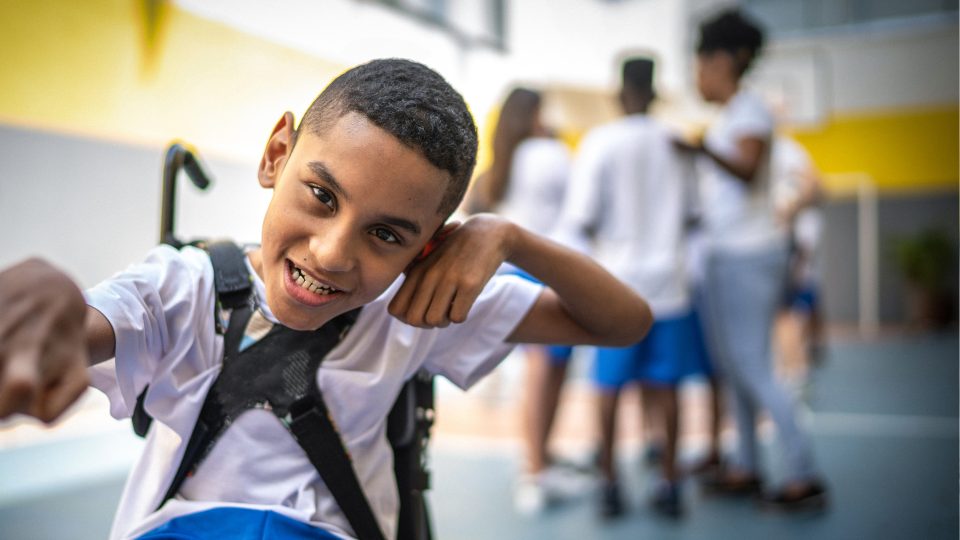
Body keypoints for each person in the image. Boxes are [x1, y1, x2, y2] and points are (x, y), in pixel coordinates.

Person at [0, 59, 653, 540]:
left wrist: (508, 239)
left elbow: (625, 322)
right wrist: (44, 315)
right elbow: (82, 324)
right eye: (322, 196)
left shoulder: (416, 309)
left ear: (427, 249)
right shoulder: (183, 290)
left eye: (386, 234)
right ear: (276, 155)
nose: (334, 254)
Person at [675, 9, 828, 510]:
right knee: (733, 366)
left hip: (749, 255)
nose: (697, 75)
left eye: (700, 64)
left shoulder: (750, 112)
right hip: (726, 254)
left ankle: (803, 472)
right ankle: (745, 464)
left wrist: (699, 148)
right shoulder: (729, 116)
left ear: (723, 62)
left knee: (754, 366)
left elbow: (744, 168)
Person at [552, 56, 696, 519]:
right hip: (670, 284)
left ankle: (610, 482)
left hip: (618, 286)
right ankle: (671, 482)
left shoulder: (601, 142)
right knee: (667, 385)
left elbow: (581, 217)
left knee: (608, 387)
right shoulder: (677, 142)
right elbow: (695, 214)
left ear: (619, 93)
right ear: (655, 93)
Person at [465, 87, 588, 514]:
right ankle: (535, 469)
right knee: (546, 371)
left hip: (508, 273)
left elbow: (472, 212)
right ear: (534, 114)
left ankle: (539, 461)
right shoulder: (549, 154)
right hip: (547, 271)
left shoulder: (498, 165)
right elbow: (578, 210)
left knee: (542, 371)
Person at [771, 134, 826, 388]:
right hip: (786, 246)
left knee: (786, 312)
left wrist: (788, 209)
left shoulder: (789, 152)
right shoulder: (786, 152)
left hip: (789, 247)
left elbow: (817, 185)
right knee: (790, 311)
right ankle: (796, 366)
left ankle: (796, 371)